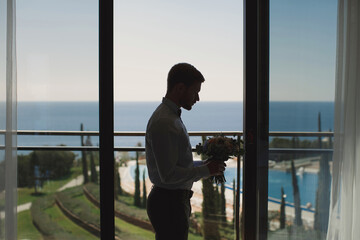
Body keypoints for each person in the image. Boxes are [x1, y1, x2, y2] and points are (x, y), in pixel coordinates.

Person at [145, 63, 226, 240]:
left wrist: (205, 165)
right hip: (169, 204)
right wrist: (206, 170)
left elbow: (178, 165)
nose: (197, 98)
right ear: (180, 88)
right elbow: (169, 175)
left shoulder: (169, 118)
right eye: (195, 91)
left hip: (171, 201)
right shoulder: (165, 122)